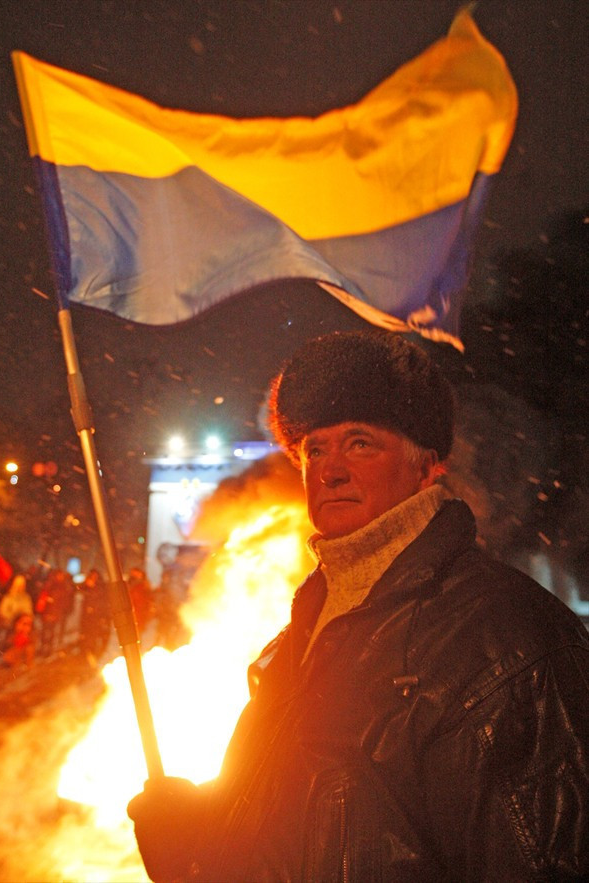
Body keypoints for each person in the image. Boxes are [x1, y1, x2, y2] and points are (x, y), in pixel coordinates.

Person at [128, 329, 589, 882]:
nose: (331, 470)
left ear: (428, 465)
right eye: (314, 449)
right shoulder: (305, 630)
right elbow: (308, 828)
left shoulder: (508, 639)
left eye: (360, 443)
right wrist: (202, 847)